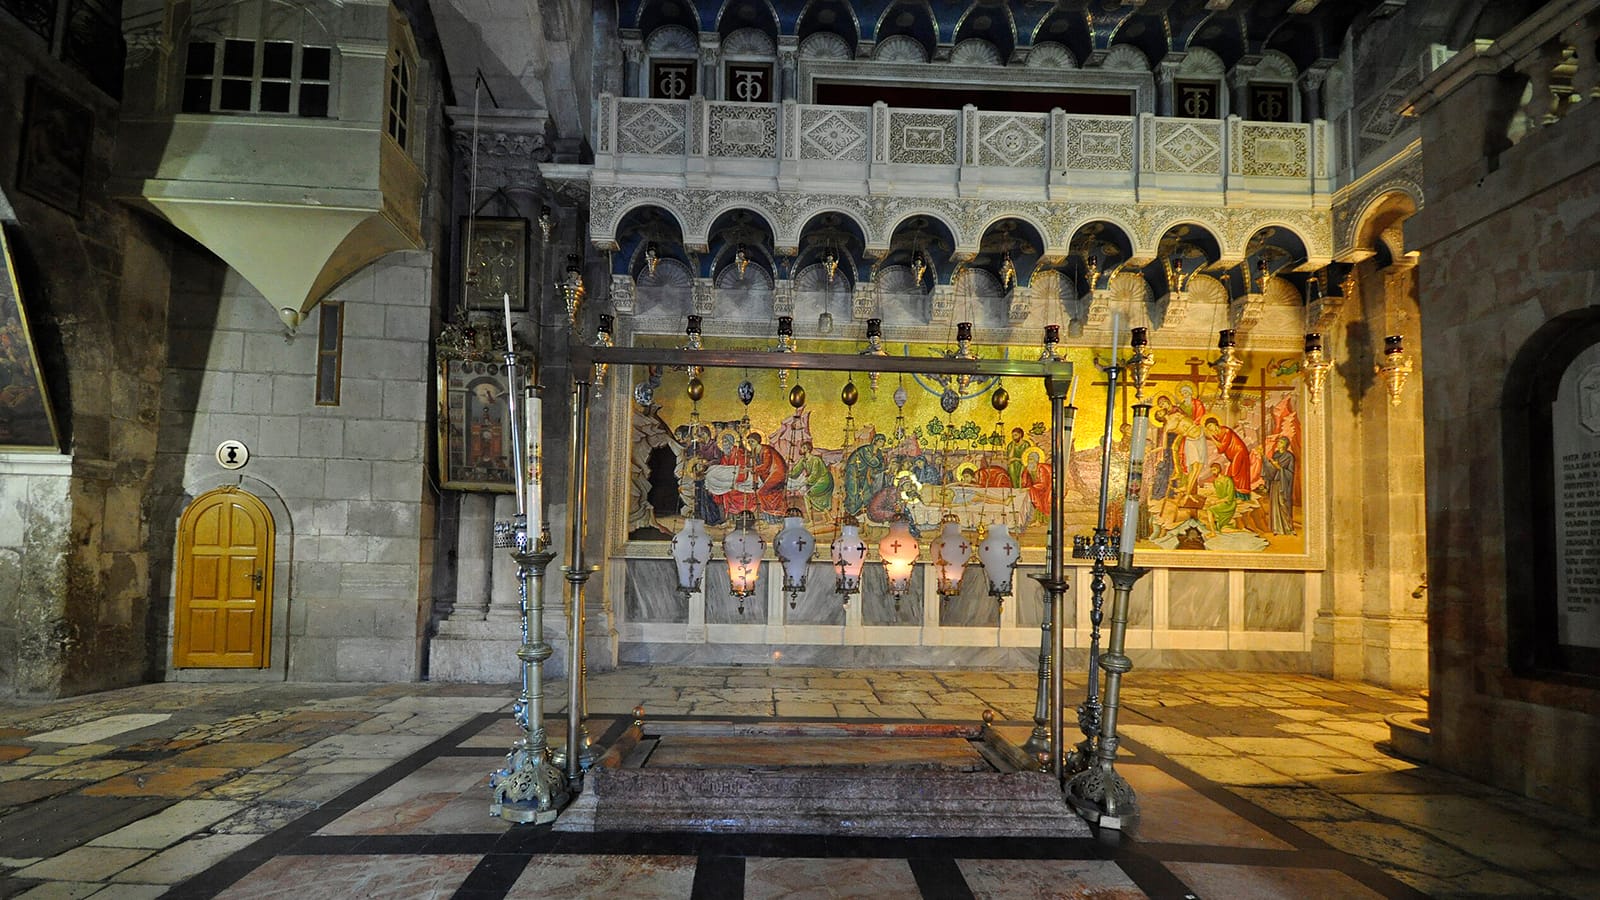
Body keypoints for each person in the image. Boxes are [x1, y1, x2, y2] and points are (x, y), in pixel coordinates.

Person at [1204, 417, 1253, 499]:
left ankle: (1241, 496)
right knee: (1230, 473)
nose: (1210, 429)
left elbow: (1222, 447)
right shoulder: (1217, 434)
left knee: (1235, 472)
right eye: (1208, 428)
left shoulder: (1226, 431)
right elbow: (1219, 448)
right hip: (1233, 456)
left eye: (1210, 426)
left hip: (1239, 452)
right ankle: (1232, 494)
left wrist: (1212, 438)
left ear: (1215, 424)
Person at [841, 433, 888, 516]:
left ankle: (864, 507)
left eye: (883, 442)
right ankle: (851, 511)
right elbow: (872, 462)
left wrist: (882, 466)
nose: (882, 443)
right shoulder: (866, 449)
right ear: (875, 441)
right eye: (880, 441)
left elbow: (881, 465)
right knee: (854, 490)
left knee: (866, 490)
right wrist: (879, 463)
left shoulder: (879, 452)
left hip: (863, 472)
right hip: (853, 470)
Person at [1261, 435, 1296, 535]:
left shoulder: (1289, 456)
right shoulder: (1276, 455)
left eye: (1280, 442)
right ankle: (1277, 528)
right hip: (1275, 483)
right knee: (1275, 504)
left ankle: (1287, 527)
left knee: (1282, 503)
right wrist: (1263, 457)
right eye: (1278, 442)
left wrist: (1279, 468)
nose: (1278, 444)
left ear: (1285, 445)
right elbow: (1270, 469)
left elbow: (1290, 472)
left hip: (1283, 483)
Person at [1202, 463, 1238, 532]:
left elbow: (1230, 497)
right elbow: (1218, 495)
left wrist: (1216, 502)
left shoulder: (1227, 480)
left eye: (1214, 470)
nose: (1213, 472)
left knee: (1210, 510)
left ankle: (1213, 532)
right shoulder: (1215, 481)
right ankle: (1216, 528)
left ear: (1218, 469)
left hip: (1229, 504)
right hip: (1222, 502)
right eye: (1212, 471)